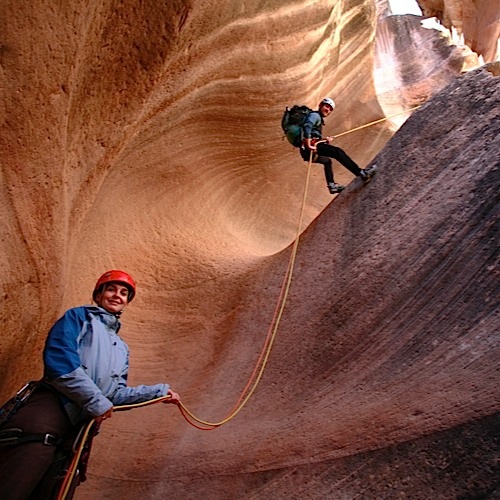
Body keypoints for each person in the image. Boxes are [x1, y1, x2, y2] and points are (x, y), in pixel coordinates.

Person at [0, 270, 180, 499]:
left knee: (56, 488)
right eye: (112, 289)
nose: (117, 295)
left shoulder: (121, 348)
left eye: (124, 293)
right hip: (50, 408)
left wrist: (159, 392)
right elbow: (60, 362)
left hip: (76, 430)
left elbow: (113, 394)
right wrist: (96, 401)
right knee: (15, 481)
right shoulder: (77, 317)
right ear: (98, 294)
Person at [300, 97, 377, 194]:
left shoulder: (317, 118)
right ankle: (362, 173)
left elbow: (312, 134)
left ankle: (332, 186)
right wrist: (309, 145)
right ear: (320, 105)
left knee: (327, 161)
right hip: (310, 148)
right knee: (338, 152)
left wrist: (324, 140)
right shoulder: (315, 116)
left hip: (306, 152)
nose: (328, 110)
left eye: (330, 109)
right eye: (326, 106)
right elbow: (307, 126)